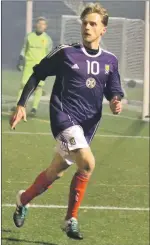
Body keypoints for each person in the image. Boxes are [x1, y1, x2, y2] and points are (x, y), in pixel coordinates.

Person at [10, 3, 124, 240]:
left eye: (93, 23)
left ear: (103, 29)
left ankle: (22, 200)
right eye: (85, 23)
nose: (87, 27)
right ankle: (70, 219)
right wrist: (21, 104)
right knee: (88, 163)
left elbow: (113, 88)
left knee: (55, 172)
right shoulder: (66, 53)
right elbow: (37, 73)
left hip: (88, 125)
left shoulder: (110, 60)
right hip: (63, 117)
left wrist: (115, 100)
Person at [11, 16, 53, 116]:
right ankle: (19, 104)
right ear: (36, 25)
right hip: (28, 65)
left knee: (38, 87)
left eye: (43, 24)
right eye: (39, 23)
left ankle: (34, 108)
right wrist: (20, 59)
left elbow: (49, 54)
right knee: (23, 85)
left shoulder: (48, 39)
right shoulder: (29, 36)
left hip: (41, 66)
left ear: (45, 27)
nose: (40, 25)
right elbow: (24, 48)